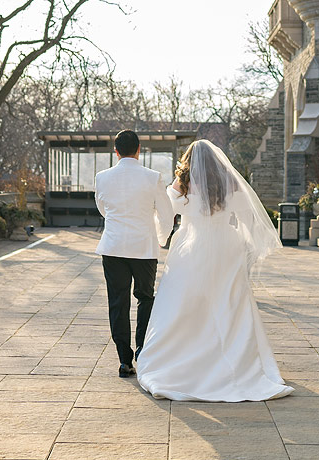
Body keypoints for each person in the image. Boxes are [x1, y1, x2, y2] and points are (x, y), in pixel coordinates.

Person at [136, 139, 293, 402]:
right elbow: (248, 218)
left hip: (191, 246)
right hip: (226, 246)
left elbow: (166, 215)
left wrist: (160, 238)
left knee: (183, 303)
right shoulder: (229, 183)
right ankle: (235, 361)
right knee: (230, 303)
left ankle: (185, 358)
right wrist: (246, 249)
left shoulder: (181, 184)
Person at [93, 130, 176, 378]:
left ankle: (123, 359)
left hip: (113, 246)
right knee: (145, 298)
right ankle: (143, 350)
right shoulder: (153, 177)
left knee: (118, 302)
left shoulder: (102, 177)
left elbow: (103, 208)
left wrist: (118, 223)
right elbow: (167, 214)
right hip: (144, 247)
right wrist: (161, 239)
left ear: (115, 151)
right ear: (139, 149)